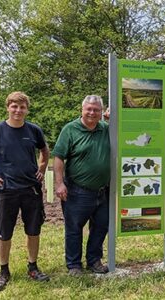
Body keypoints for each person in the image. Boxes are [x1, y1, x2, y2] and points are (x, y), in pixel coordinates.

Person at [0, 91, 50, 291]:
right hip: (6, 191)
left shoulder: (33, 130)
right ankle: (4, 271)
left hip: (31, 189)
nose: (18, 110)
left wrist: (41, 168)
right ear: (8, 107)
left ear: (27, 110)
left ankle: (33, 267)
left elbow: (45, 150)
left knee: (33, 231)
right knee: (4, 233)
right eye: (14, 106)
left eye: (22, 107)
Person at [53, 95, 110, 276]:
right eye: (89, 109)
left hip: (103, 190)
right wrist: (59, 183)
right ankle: (74, 265)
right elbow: (59, 157)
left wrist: (112, 120)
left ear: (102, 112)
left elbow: (127, 133)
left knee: (101, 226)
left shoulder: (106, 129)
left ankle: (94, 260)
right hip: (77, 190)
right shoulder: (70, 129)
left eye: (96, 110)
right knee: (74, 228)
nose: (92, 113)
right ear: (82, 109)